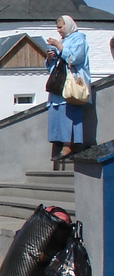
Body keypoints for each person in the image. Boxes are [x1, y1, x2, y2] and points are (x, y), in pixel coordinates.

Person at [45, 14, 92, 164]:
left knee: (69, 113)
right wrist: (51, 57)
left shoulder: (79, 39)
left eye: (60, 27)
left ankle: (69, 144)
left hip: (71, 84)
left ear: (68, 25)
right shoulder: (65, 40)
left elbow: (75, 58)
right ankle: (61, 142)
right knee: (58, 112)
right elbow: (56, 65)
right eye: (57, 28)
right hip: (59, 83)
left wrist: (59, 47)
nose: (58, 30)